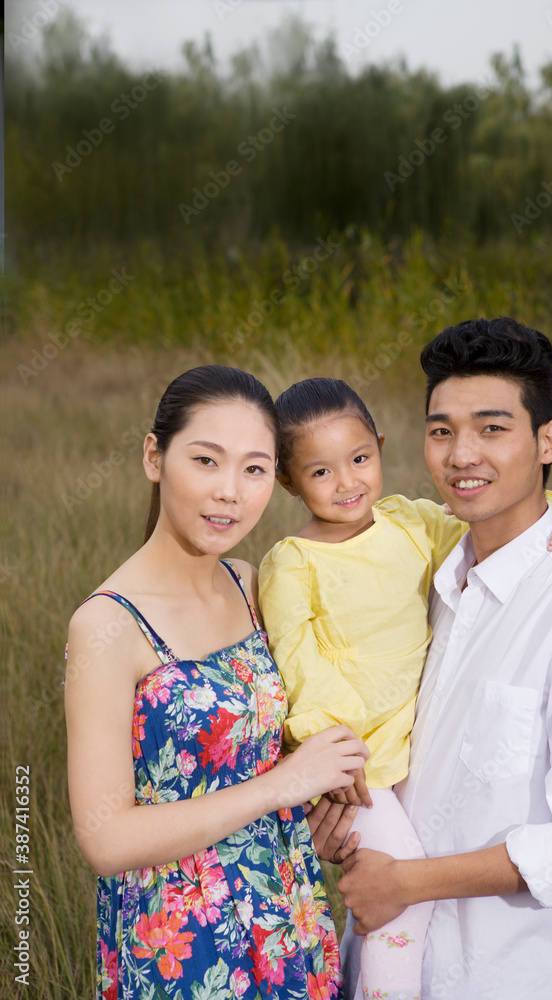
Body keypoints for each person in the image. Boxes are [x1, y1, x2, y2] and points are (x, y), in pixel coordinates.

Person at [319, 318, 552, 1000]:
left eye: (492, 429)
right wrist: (349, 830)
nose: (460, 454)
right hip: (390, 962)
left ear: (547, 439)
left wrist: (405, 882)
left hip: (503, 975)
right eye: (440, 430)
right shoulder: (437, 582)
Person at [257, 376, 552, 1000]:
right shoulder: (293, 561)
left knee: (400, 893)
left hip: (416, 750)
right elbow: (299, 662)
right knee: (399, 898)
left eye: (360, 459)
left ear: (380, 446)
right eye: (322, 472)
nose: (348, 482)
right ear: (288, 480)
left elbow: (492, 526)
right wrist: (336, 751)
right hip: (357, 766)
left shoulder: (409, 524)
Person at [64, 365, 371, 1000]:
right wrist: (283, 786)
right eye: (206, 460)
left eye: (255, 469)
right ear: (155, 456)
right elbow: (106, 837)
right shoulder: (106, 625)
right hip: (183, 943)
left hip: (289, 913)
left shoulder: (251, 582)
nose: (229, 491)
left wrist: (551, 527)